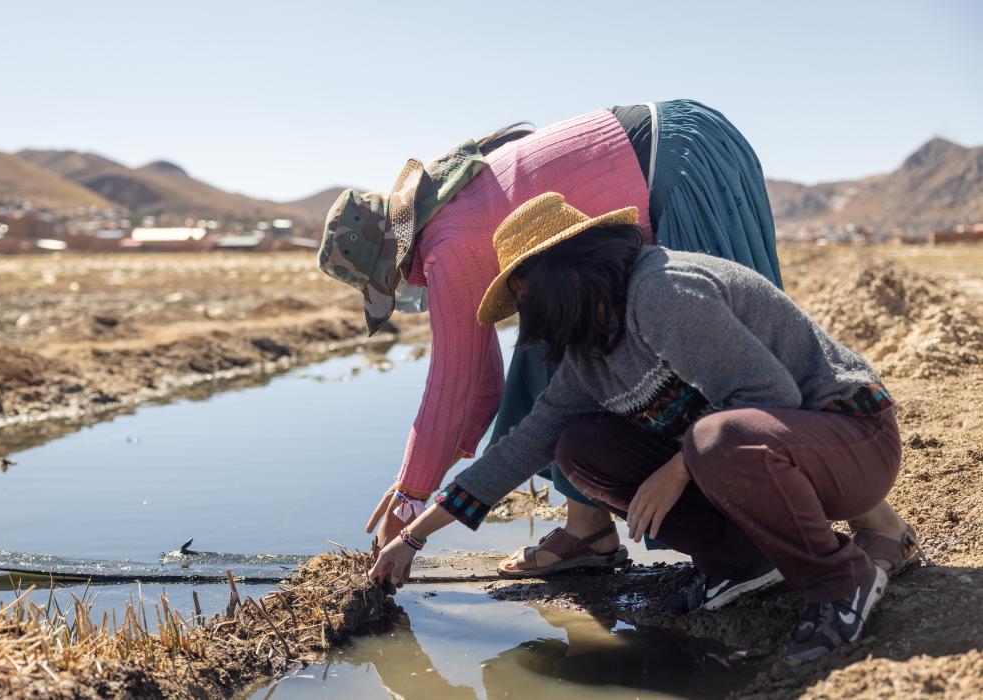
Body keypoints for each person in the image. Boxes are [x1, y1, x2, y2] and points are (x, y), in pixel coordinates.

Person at [320, 100, 914, 577]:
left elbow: (461, 387)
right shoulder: (565, 317)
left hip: (682, 167)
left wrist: (411, 493)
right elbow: (528, 437)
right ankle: (677, 545)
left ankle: (875, 526)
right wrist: (419, 534)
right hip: (653, 196)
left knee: (723, 396)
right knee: (574, 415)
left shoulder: (656, 290)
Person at [369, 194, 911, 664]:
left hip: (851, 441)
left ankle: (842, 581)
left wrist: (676, 472)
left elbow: (770, 398)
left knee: (711, 440)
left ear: (565, 273)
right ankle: (742, 561)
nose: (531, 314)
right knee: (580, 448)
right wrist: (414, 537)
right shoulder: (591, 355)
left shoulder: (662, 292)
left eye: (529, 295)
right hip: (768, 461)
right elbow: (520, 449)